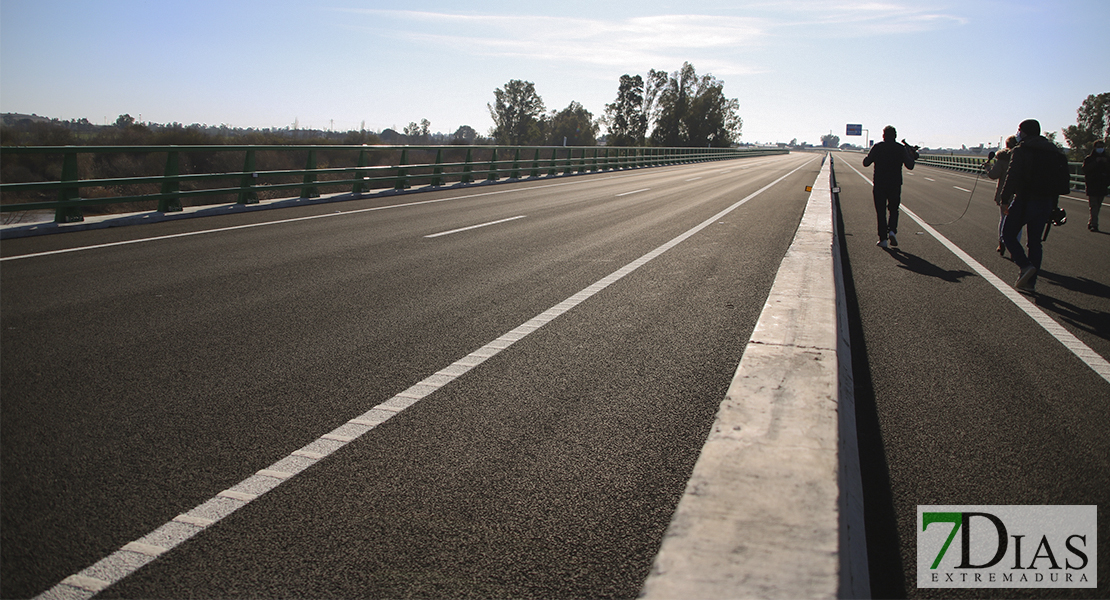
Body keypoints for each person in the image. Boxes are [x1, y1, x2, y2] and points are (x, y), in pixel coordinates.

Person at [1000, 119, 1067, 292]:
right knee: (1035, 242)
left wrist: (1004, 199)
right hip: (1046, 201)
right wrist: (1054, 205)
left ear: (1025, 132)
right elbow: (1057, 181)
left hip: (1025, 200)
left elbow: (1012, 176)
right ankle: (1030, 283)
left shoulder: (1022, 150)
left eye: (1019, 130)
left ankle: (1024, 265)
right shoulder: (1053, 151)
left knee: (1007, 234)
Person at [863, 125, 916, 248]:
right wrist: (911, 154)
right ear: (895, 136)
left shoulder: (878, 147)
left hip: (880, 184)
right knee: (894, 209)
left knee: (881, 212)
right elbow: (910, 165)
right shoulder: (900, 148)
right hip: (895, 184)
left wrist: (871, 155)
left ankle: (883, 239)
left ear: (883, 135)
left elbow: (866, 163)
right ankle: (892, 231)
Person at [985, 136, 1019, 256]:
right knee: (1017, 221)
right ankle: (1015, 247)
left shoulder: (1003, 158)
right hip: (1019, 193)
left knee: (1004, 219)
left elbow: (993, 175)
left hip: (1005, 193)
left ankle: (1002, 242)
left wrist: (988, 168)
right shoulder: (1024, 157)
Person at [1081, 139, 1108, 232]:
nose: (1100, 149)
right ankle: (1094, 224)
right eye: (1098, 147)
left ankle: (1091, 221)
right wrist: (1095, 162)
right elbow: (1085, 170)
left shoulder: (1107, 158)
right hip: (1092, 185)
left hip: (1103, 185)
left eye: (1101, 147)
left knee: (1098, 205)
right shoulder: (1089, 159)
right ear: (1095, 148)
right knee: (1094, 205)